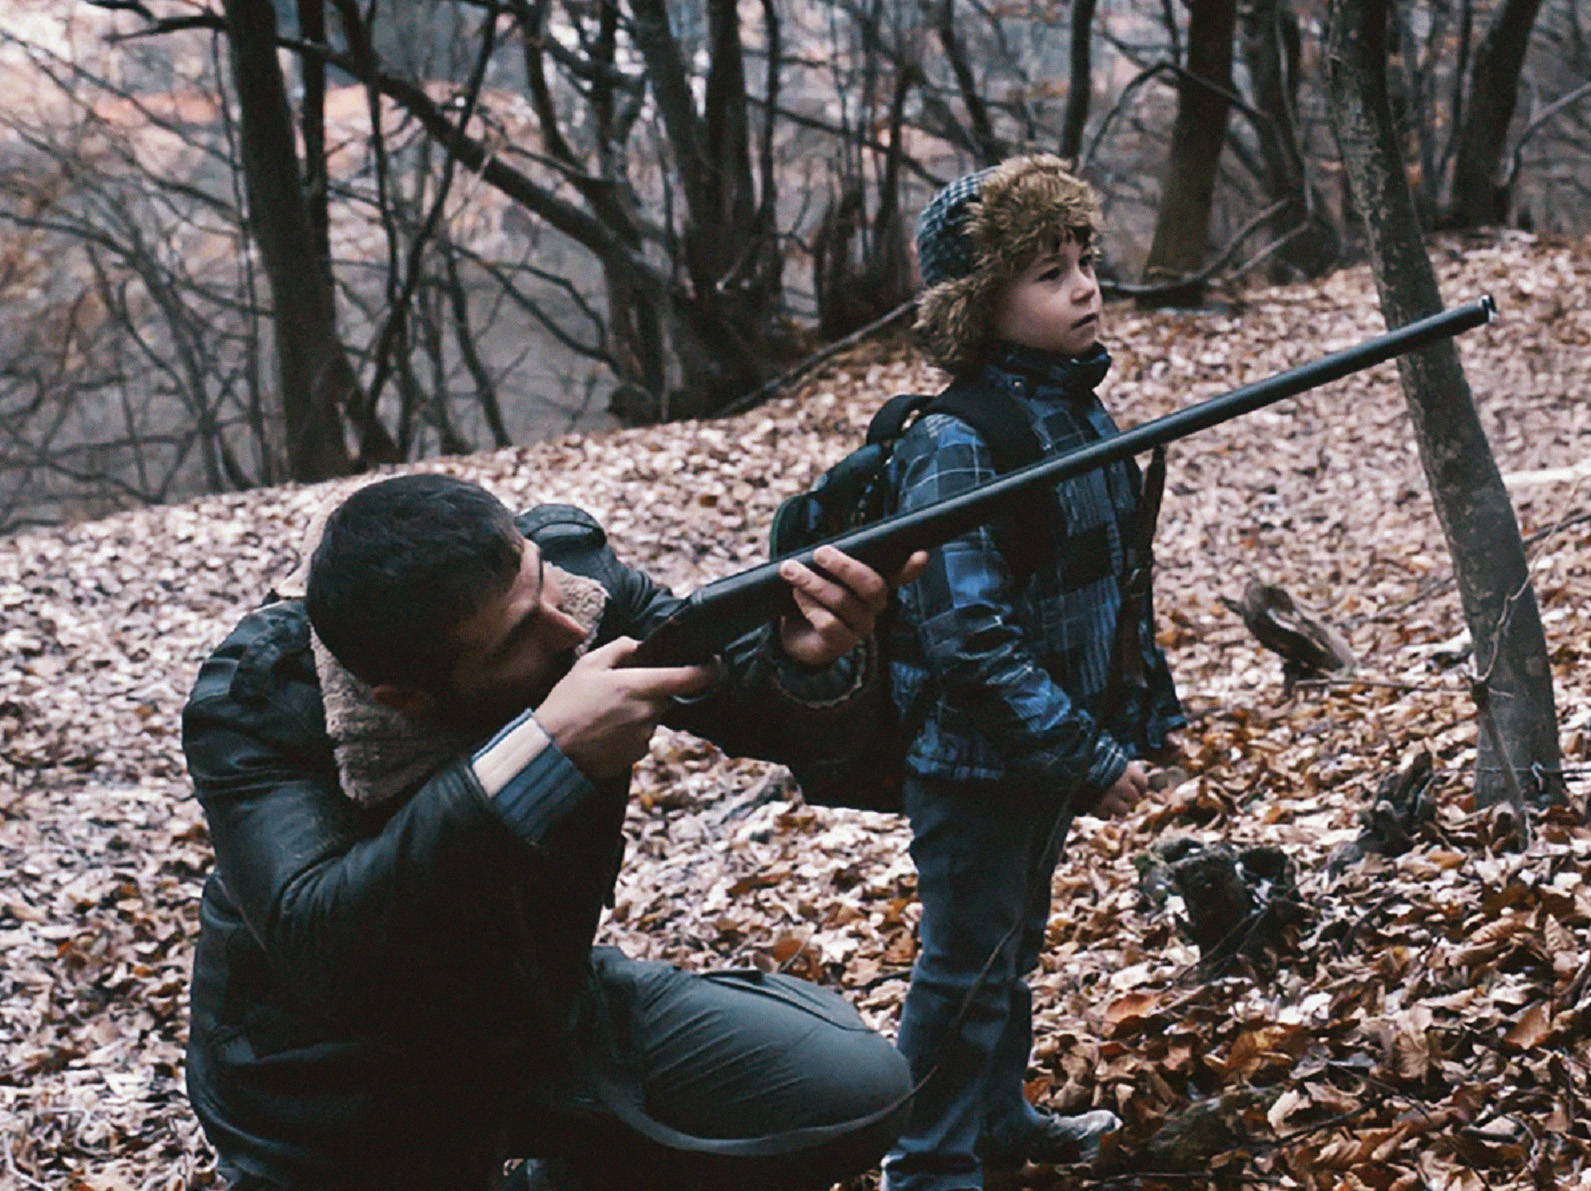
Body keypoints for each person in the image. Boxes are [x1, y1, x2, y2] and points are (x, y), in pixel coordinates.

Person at [180, 472, 927, 1191]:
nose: (570, 626)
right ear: (401, 695)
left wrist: (803, 660)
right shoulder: (255, 695)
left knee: (855, 1089)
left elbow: (746, 695)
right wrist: (541, 755)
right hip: (325, 1080)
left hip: (536, 1002)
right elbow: (323, 936)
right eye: (518, 639)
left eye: (543, 580)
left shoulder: (569, 585)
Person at [878, 155, 1186, 1191]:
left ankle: (996, 1121)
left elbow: (1108, 582)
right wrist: (1086, 754)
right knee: (962, 969)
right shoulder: (962, 443)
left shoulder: (1073, 409)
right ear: (979, 305)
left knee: (1007, 954)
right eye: (1049, 273)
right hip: (973, 764)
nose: (1086, 286)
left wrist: (1140, 713)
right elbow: (971, 641)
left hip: (1041, 752)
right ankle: (924, 1164)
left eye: (1084, 259)